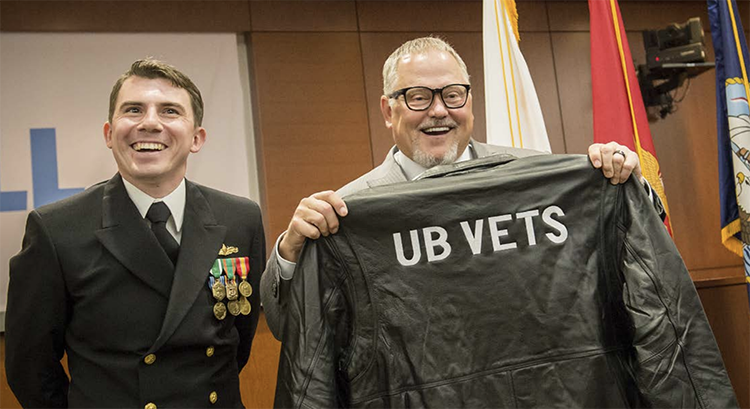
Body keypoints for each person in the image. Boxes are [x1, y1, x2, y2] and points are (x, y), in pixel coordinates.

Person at [260, 36, 662, 339]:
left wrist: (624, 182)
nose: (439, 111)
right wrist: (291, 251)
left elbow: (634, 250)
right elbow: (287, 328)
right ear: (388, 111)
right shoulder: (347, 211)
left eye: (452, 95)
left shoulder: (532, 175)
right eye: (418, 97)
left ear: (470, 101)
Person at [5, 59, 266, 409]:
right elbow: (30, 367)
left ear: (197, 138)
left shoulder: (240, 218)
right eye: (133, 110)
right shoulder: (56, 230)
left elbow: (237, 342)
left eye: (170, 111)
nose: (150, 123)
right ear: (110, 134)